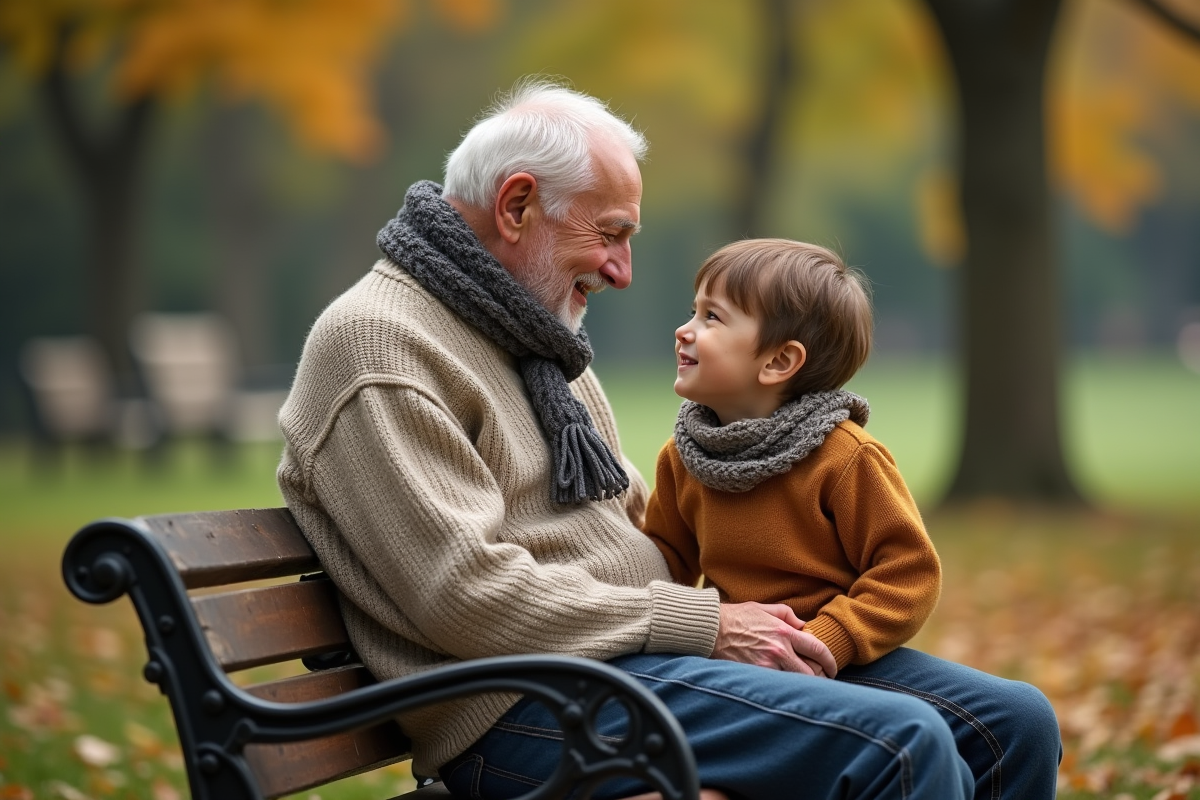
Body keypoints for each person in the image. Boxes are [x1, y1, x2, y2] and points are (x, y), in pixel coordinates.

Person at [277, 77, 1061, 800]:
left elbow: (632, 525)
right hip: (528, 706)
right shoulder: (380, 349)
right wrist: (706, 623)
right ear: (517, 206)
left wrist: (750, 610)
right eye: (610, 235)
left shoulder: (531, 334)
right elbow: (464, 596)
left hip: (632, 666)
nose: (621, 271)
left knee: (1012, 726)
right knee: (900, 744)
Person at [643, 238, 939, 675]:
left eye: (711, 317)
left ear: (779, 361)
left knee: (1020, 714)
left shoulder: (846, 458)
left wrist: (826, 641)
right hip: (735, 661)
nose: (684, 329)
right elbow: (663, 563)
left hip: (834, 659)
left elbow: (909, 572)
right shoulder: (683, 458)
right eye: (693, 311)